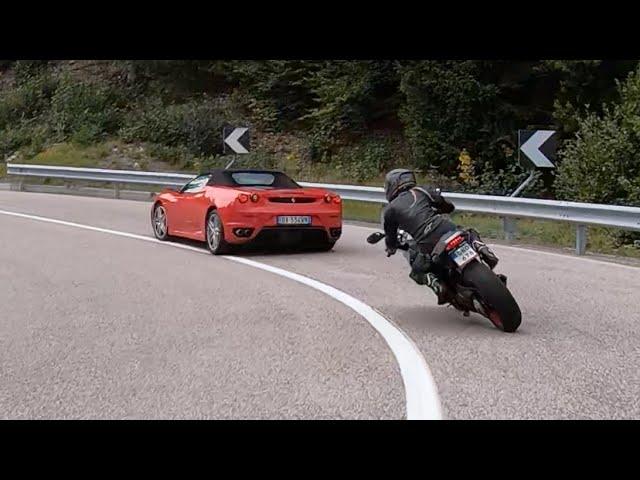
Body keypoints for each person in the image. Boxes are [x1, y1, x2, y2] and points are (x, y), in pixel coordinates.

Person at [382, 168, 498, 304]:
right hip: (446, 229)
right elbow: (445, 204)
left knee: (417, 271)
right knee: (468, 233)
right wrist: (444, 209)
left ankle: (437, 285)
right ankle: (480, 247)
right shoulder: (421, 191)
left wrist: (391, 248)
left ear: (392, 185)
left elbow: (390, 236)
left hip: (427, 242)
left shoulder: (390, 209)